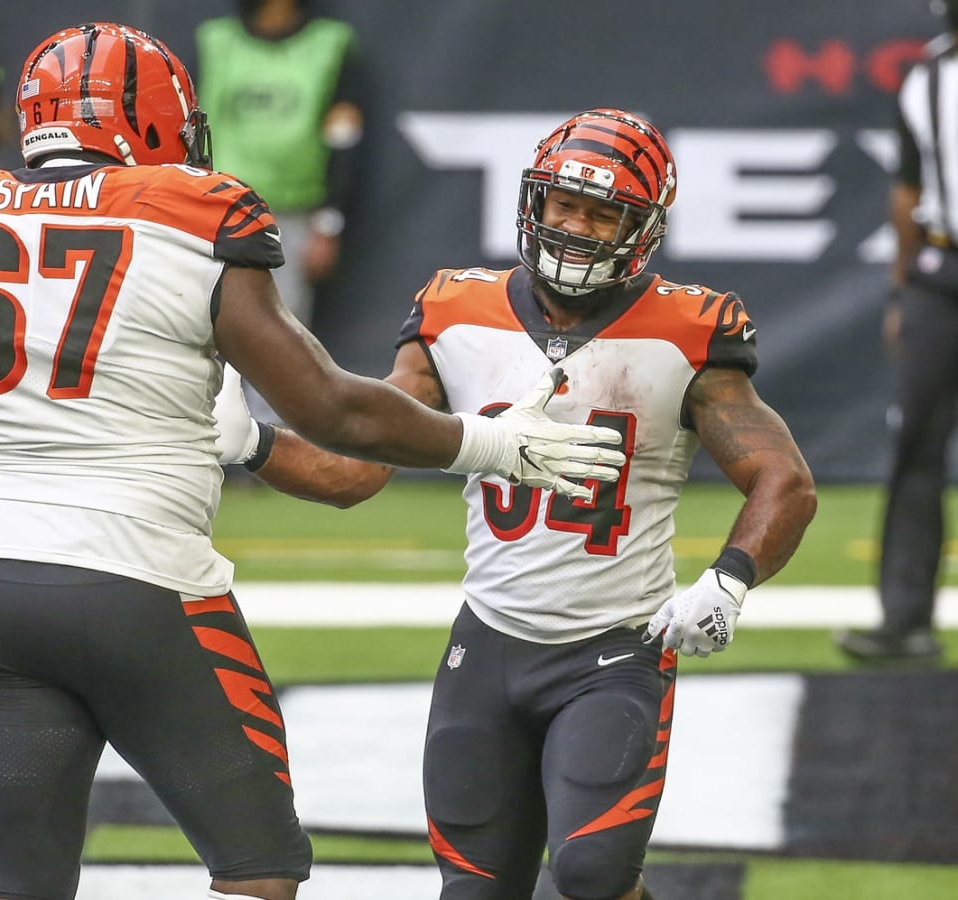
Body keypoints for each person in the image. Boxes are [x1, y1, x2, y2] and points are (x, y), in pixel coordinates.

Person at [0, 23, 627, 900]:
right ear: (152, 121)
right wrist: (489, 444)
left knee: (25, 884)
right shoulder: (193, 213)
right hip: (139, 580)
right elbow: (328, 406)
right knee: (260, 867)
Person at [215, 109, 817, 900]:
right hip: (489, 646)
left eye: (602, 212)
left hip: (615, 651)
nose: (575, 226)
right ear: (532, 201)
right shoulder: (456, 312)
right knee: (474, 890)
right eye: (564, 203)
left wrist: (730, 580)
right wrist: (254, 444)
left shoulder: (686, 332)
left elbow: (786, 480)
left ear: (643, 229)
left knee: (594, 874)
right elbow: (356, 469)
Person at [836, 0, 958, 663]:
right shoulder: (928, 78)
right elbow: (909, 189)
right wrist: (901, 287)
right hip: (942, 276)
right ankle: (905, 620)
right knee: (916, 448)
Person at [195, 0, 362, 329]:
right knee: (202, 332)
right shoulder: (215, 41)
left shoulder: (330, 44)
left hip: (291, 219)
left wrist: (328, 223)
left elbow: (346, 141)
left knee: (280, 336)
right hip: (213, 215)